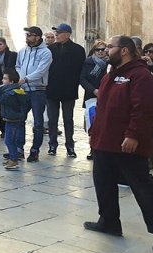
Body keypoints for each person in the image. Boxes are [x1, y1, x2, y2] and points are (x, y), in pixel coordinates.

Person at [84, 35, 153, 253]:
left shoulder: (141, 76)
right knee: (103, 183)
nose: (105, 50)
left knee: (143, 187)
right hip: (104, 141)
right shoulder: (110, 75)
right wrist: (94, 132)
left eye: (110, 47)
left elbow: (142, 110)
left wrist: (132, 135)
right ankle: (109, 221)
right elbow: (103, 108)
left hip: (127, 144)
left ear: (124, 50)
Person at [46, 23, 86, 158]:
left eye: (59, 32)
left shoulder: (78, 50)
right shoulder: (50, 49)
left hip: (68, 90)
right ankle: (52, 144)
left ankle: (70, 145)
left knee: (68, 119)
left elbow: (80, 70)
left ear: (68, 34)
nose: (56, 35)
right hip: (52, 89)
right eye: (56, 32)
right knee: (52, 118)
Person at [15, 26, 52, 163]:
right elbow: (18, 66)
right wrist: (20, 77)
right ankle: (19, 149)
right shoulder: (22, 51)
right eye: (26, 34)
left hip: (38, 90)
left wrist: (25, 78)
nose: (27, 37)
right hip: (23, 90)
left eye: (30, 34)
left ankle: (35, 150)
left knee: (38, 123)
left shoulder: (46, 53)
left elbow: (41, 71)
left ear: (37, 37)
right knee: (20, 119)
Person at [0, 68, 31, 170]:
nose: (2, 81)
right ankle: (12, 159)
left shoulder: (11, 93)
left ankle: (13, 160)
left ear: (11, 81)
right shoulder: (18, 91)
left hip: (12, 119)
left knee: (9, 140)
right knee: (12, 140)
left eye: (5, 79)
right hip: (15, 119)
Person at [80, 40, 109, 161]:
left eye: (103, 49)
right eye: (98, 50)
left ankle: (102, 147)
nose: (101, 52)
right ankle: (92, 148)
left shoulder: (110, 63)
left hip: (106, 96)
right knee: (92, 122)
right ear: (94, 50)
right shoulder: (88, 62)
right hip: (91, 95)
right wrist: (94, 90)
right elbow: (82, 79)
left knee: (104, 122)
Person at [0, 36, 17, 136]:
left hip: (9, 82)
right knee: (0, 106)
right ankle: (3, 130)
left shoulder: (12, 55)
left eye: (0, 44)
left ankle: (10, 129)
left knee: (9, 105)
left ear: (5, 45)